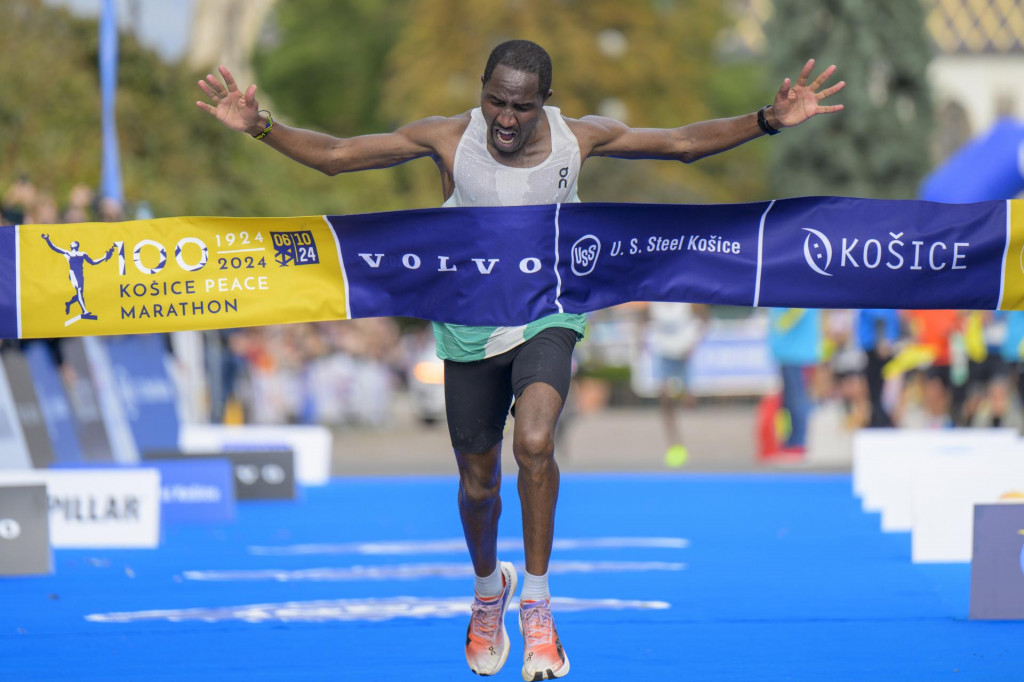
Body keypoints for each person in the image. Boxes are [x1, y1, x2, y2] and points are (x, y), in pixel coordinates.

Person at [197, 40, 844, 679]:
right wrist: (262, 127)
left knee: (535, 441)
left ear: (546, 103)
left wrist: (766, 119)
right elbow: (338, 157)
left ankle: (537, 603)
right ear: (481, 90)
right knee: (478, 486)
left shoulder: (577, 139)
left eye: (521, 106)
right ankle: (488, 592)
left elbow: (679, 142)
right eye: (495, 101)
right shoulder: (450, 138)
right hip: (469, 325)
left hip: (547, 311)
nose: (505, 118)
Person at [646, 302, 710, 467]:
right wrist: (640, 339)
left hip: (683, 353)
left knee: (689, 402)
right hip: (664, 353)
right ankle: (674, 442)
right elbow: (643, 319)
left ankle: (697, 444)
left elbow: (706, 317)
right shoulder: (654, 303)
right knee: (665, 401)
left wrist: (694, 342)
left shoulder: (686, 302)